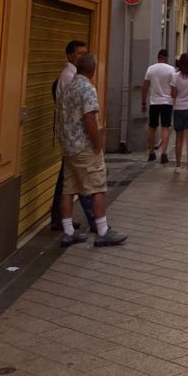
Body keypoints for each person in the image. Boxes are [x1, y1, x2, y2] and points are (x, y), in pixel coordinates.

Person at [55, 53, 126, 248]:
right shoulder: (87, 88)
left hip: (68, 146)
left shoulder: (68, 87)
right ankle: (103, 230)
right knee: (97, 186)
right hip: (84, 147)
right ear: (93, 70)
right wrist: (97, 145)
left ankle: (68, 231)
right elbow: (89, 119)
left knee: (68, 189)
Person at [50, 40, 95, 232]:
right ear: (69, 55)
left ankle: (60, 219)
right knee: (83, 180)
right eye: (79, 53)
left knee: (68, 181)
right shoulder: (70, 78)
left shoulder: (72, 76)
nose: (83, 56)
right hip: (75, 139)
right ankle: (95, 222)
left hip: (70, 138)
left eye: (85, 53)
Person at [141, 49, 175, 164]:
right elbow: (174, 86)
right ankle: (164, 153)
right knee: (165, 127)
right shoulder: (171, 70)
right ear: (166, 57)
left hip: (154, 102)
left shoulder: (151, 69)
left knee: (152, 127)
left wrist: (143, 102)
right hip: (167, 102)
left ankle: (151, 152)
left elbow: (145, 86)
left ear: (158, 57)